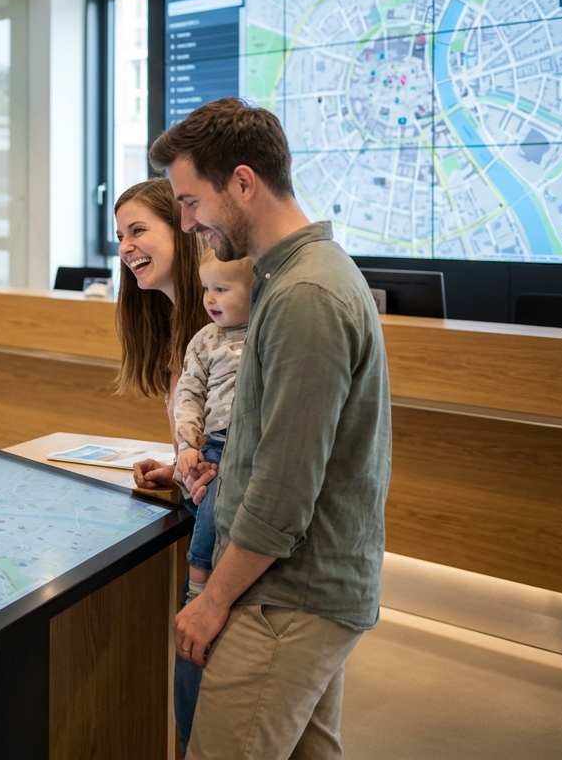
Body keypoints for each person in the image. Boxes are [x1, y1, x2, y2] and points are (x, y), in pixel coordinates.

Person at [139, 97, 391, 760]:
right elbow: (276, 443)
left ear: (244, 183)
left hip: (284, 598)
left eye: (192, 203)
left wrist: (211, 598)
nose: (188, 224)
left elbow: (286, 487)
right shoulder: (291, 282)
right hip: (298, 591)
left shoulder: (306, 294)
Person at [167, 248, 254, 755]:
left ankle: (199, 582)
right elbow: (189, 395)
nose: (210, 299)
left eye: (223, 289)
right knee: (210, 501)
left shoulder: (267, 331)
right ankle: (198, 580)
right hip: (216, 445)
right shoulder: (206, 340)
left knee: (219, 503)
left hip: (250, 449)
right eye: (207, 289)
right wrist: (188, 445)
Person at [112, 179, 210, 407]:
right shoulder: (171, 326)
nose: (124, 247)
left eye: (137, 231)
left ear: (182, 230)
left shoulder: (226, 326)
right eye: (120, 237)